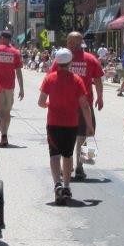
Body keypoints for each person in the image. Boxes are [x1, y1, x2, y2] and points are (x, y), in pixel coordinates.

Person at [39, 48, 93, 205]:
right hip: (71, 124)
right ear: (70, 63)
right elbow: (84, 105)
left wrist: (51, 104)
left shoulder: (49, 79)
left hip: (53, 123)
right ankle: (67, 186)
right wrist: (89, 126)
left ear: (56, 62)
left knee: (54, 155)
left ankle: (57, 184)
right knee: (68, 155)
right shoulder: (77, 80)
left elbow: (41, 102)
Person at [49, 32, 103, 180]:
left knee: (82, 136)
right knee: (77, 136)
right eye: (69, 40)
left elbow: (97, 79)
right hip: (68, 104)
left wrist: (100, 97)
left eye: (71, 41)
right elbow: (52, 78)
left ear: (78, 42)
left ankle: (79, 165)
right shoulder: (63, 59)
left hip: (83, 103)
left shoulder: (89, 59)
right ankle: (72, 165)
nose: (69, 43)